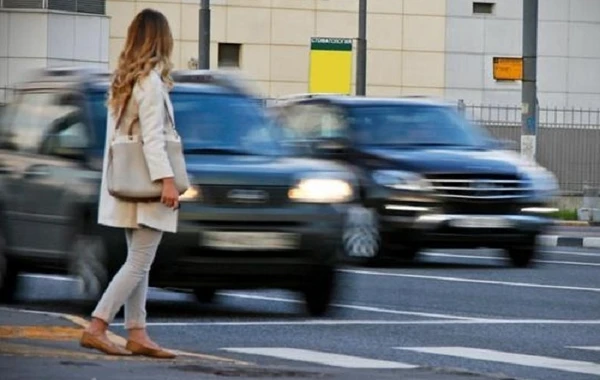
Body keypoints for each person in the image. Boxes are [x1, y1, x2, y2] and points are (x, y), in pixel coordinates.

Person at [79, 8, 180, 359]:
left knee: (139, 260)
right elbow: (153, 139)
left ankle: (137, 331)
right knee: (139, 260)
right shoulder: (150, 82)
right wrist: (167, 180)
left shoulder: (124, 78)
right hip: (148, 183)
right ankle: (98, 325)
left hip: (127, 182)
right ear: (160, 39)